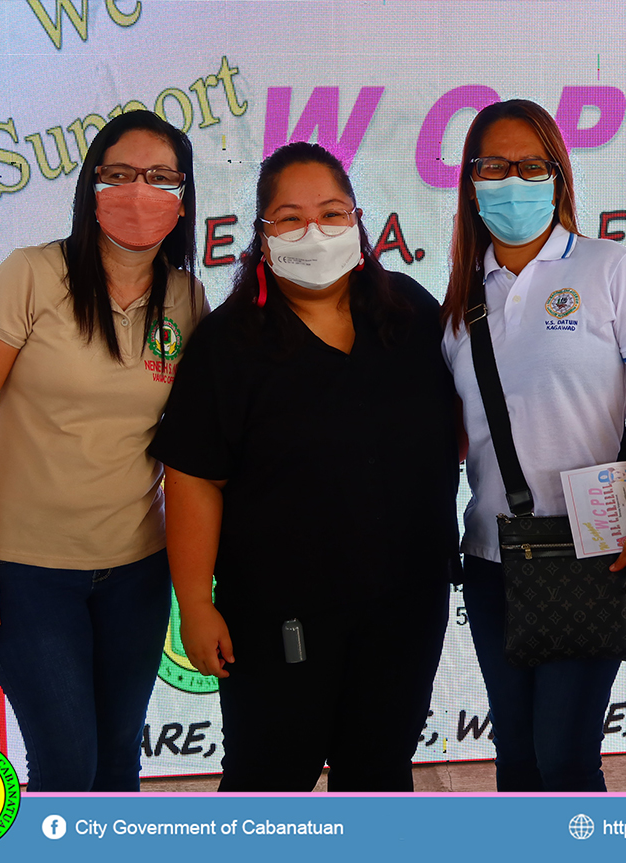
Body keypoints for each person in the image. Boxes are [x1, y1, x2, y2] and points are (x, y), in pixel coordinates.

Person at [149, 142, 460, 792]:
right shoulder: (229, 344)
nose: (312, 232)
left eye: (331, 213)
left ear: (359, 222)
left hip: (405, 605)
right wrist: (194, 604)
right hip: (276, 619)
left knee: (378, 774)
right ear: (262, 236)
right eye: (289, 218)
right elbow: (194, 478)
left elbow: (460, 428)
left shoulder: (410, 313)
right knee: (268, 779)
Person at [0, 109, 206, 790]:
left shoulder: (185, 298)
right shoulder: (30, 277)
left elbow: (193, 442)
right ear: (92, 186)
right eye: (119, 174)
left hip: (136, 572)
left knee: (118, 763)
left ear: (182, 197)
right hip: (26, 575)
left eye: (159, 177)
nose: (138, 191)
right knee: (64, 765)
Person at [441, 100, 626, 791]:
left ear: (558, 175)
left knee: (567, 759)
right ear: (470, 180)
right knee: (516, 758)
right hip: (492, 558)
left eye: (530, 165)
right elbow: (454, 436)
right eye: (494, 165)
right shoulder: (460, 298)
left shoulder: (611, 269)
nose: (512, 180)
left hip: (593, 553)